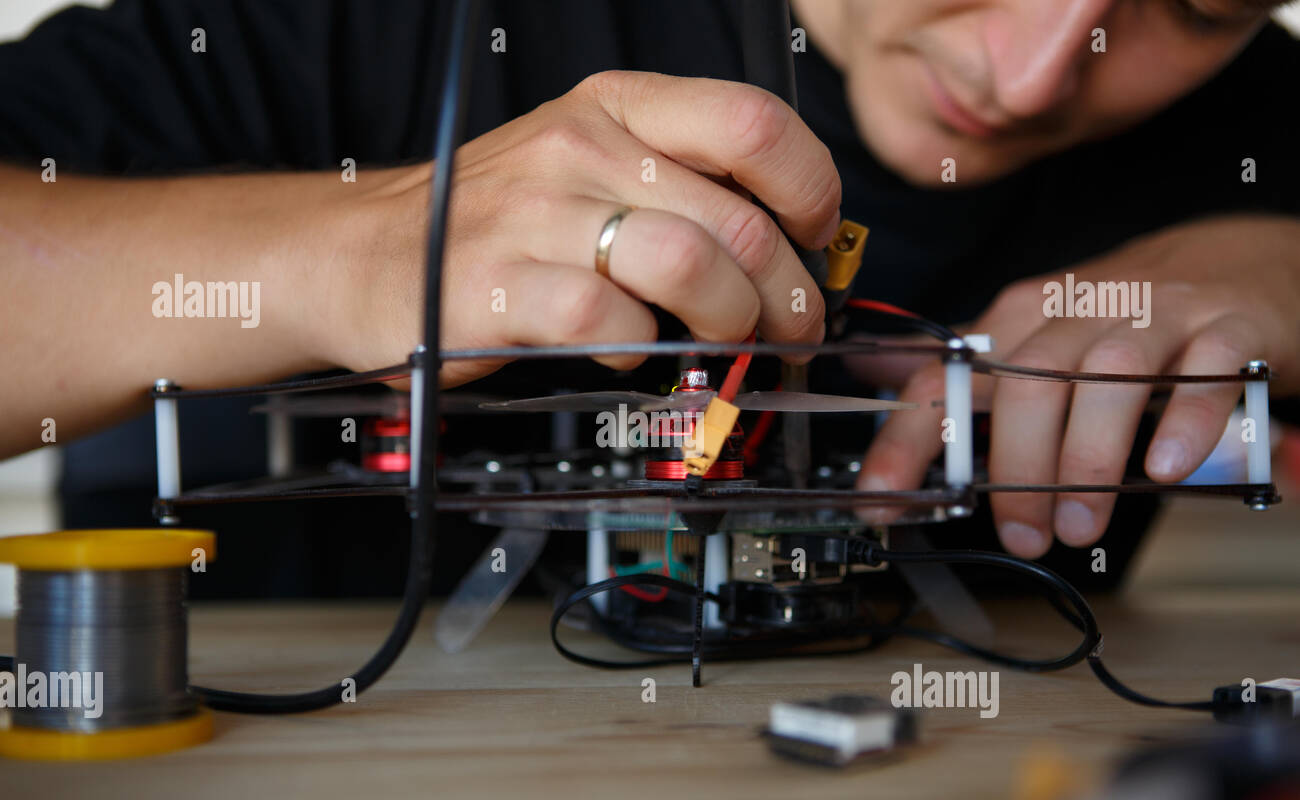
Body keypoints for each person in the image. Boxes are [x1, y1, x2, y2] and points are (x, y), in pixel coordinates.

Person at [0, 0, 1296, 595]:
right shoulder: (363, 25)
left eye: (1203, 3)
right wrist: (340, 247)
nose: (1031, 72)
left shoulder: (1254, 135)